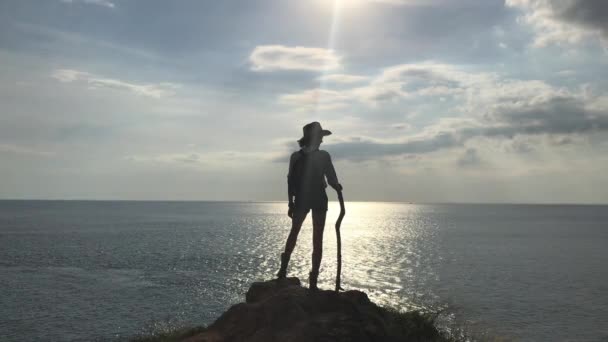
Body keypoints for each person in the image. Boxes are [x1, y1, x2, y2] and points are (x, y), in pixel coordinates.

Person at [276, 121, 342, 290]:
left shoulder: (315, 156)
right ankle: (287, 271)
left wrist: (336, 186)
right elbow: (291, 179)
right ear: (314, 138)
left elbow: (331, 178)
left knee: (310, 236)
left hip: (313, 198)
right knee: (301, 234)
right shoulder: (301, 157)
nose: (322, 140)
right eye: (320, 137)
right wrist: (290, 202)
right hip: (309, 198)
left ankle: (311, 278)